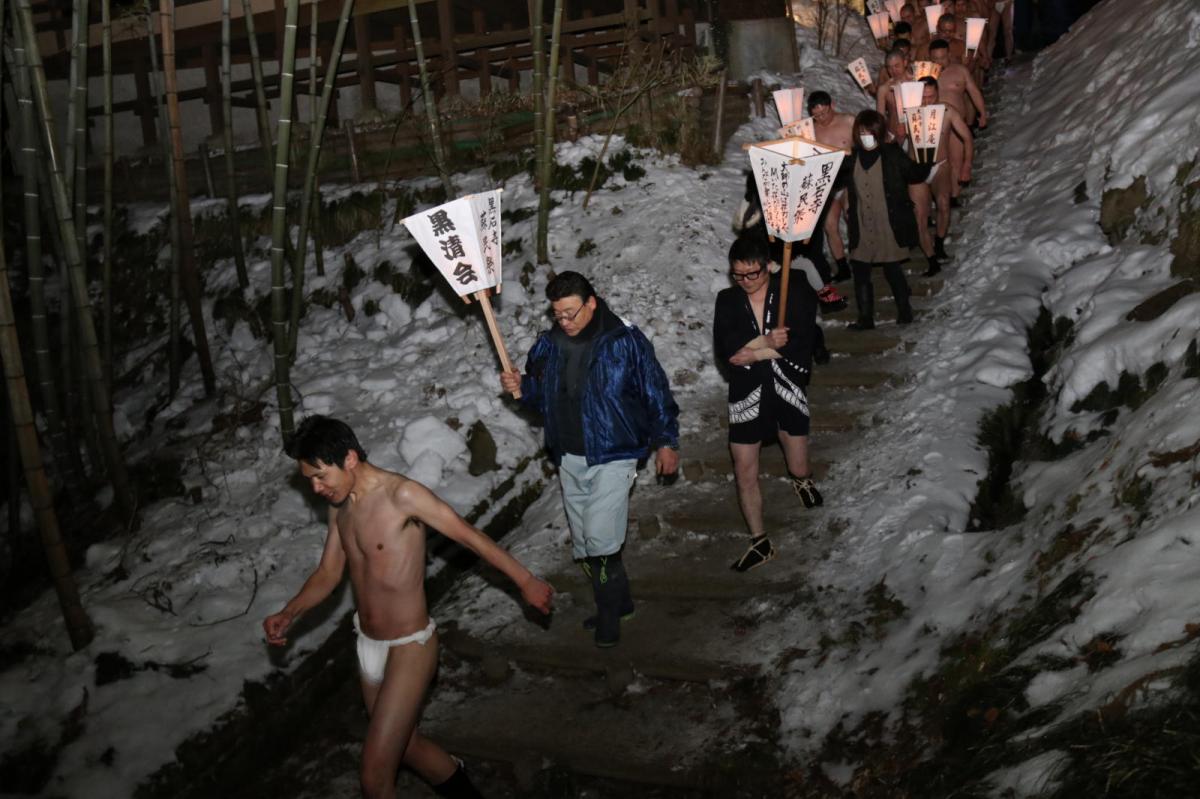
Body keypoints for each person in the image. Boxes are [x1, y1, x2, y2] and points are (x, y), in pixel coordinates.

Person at [264, 416, 555, 799]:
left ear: (349, 459)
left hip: (409, 647)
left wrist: (526, 580)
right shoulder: (341, 507)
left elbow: (470, 537)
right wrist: (290, 611)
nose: (316, 488)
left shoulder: (402, 496)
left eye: (320, 476)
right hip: (368, 646)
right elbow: (329, 573)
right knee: (409, 747)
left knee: (374, 778)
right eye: (310, 480)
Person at [499, 272, 679, 648]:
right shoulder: (549, 345)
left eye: (570, 313)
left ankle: (609, 614)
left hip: (614, 452)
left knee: (599, 540)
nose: (564, 321)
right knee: (585, 542)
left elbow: (655, 391)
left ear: (591, 302)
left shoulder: (624, 341)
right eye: (557, 314)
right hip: (568, 454)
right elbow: (540, 395)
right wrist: (522, 386)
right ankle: (620, 601)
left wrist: (666, 441)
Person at [714, 235, 821, 573]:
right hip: (747, 392)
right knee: (744, 469)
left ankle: (801, 479)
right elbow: (729, 350)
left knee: (798, 462)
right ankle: (759, 542)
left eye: (753, 274)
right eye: (738, 275)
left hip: (787, 384)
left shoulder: (796, 289)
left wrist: (755, 350)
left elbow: (801, 342)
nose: (745, 282)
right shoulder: (727, 300)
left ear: (769, 267)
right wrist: (765, 342)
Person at [837, 110, 931, 330]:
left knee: (892, 268)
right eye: (862, 132)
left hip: (888, 222)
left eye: (871, 132)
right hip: (862, 223)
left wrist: (927, 154)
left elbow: (914, 174)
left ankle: (905, 310)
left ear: (879, 133)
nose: (866, 136)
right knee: (860, 270)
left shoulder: (892, 154)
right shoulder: (852, 159)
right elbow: (833, 179)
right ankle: (865, 318)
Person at [918, 77, 974, 266]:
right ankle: (930, 257)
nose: (927, 101)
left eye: (931, 97)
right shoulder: (910, 111)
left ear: (938, 94)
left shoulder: (947, 111)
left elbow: (967, 137)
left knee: (943, 205)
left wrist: (966, 165)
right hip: (916, 167)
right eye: (923, 97)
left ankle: (940, 244)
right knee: (920, 214)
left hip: (939, 164)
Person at [928, 38, 987, 201]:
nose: (939, 62)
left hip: (955, 122)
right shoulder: (924, 75)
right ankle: (937, 195)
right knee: (937, 162)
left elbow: (974, 91)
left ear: (949, 54)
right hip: (932, 123)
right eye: (935, 59)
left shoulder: (960, 71)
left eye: (942, 57)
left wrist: (982, 112)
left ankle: (954, 195)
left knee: (956, 159)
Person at [808, 91, 856, 283]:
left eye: (824, 113)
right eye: (817, 115)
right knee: (830, 225)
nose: (822, 118)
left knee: (852, 215)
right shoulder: (809, 130)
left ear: (832, 106)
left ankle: (859, 258)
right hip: (826, 183)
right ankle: (842, 265)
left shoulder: (848, 121)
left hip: (848, 177)